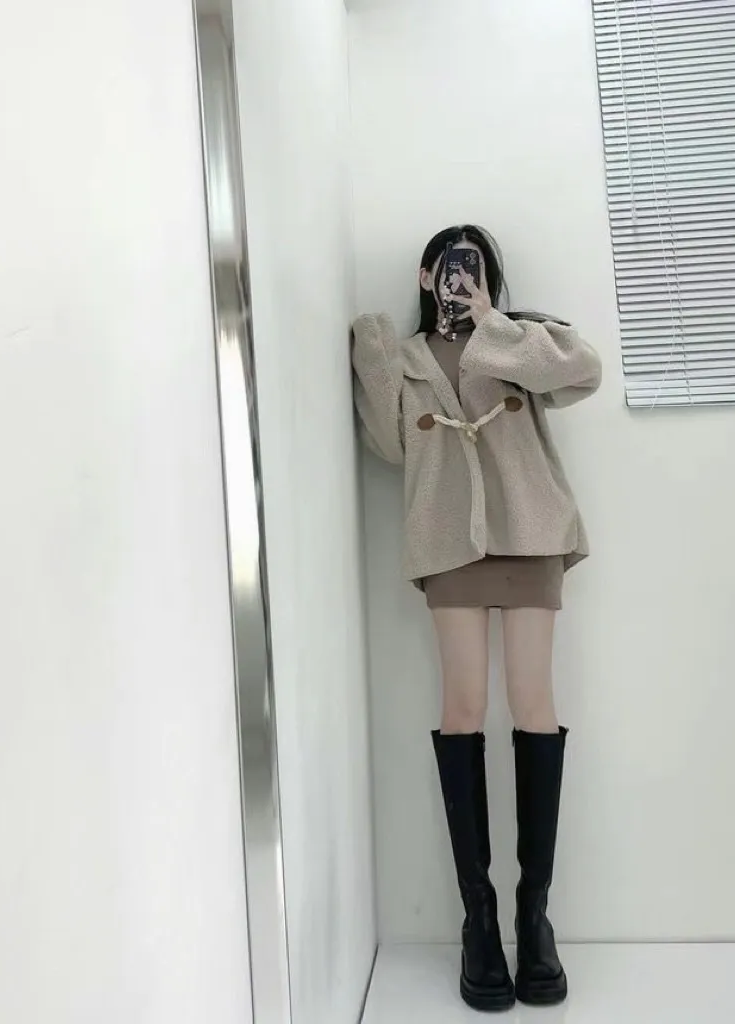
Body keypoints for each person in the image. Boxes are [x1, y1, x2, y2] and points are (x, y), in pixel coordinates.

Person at [351, 224, 601, 1012]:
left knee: (533, 705)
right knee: (461, 709)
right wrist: (375, 352)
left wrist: (493, 323)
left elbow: (583, 373)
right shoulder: (412, 356)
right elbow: (389, 445)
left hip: (528, 532)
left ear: (490, 275)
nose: (460, 277)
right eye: (449, 266)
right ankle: (478, 922)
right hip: (447, 539)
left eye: (475, 266)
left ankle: (533, 918)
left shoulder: (519, 338)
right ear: (424, 274)